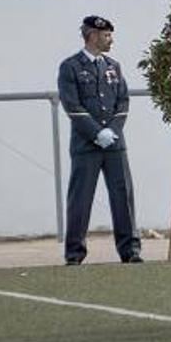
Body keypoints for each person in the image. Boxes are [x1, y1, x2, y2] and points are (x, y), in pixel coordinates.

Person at [57, 15, 142, 265]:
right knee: (80, 199)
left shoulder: (113, 66)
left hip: (114, 144)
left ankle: (130, 251)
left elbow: (123, 101)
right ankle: (74, 253)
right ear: (92, 35)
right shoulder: (70, 67)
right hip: (86, 145)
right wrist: (96, 133)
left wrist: (112, 131)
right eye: (106, 36)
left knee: (123, 196)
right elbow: (72, 105)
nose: (111, 40)